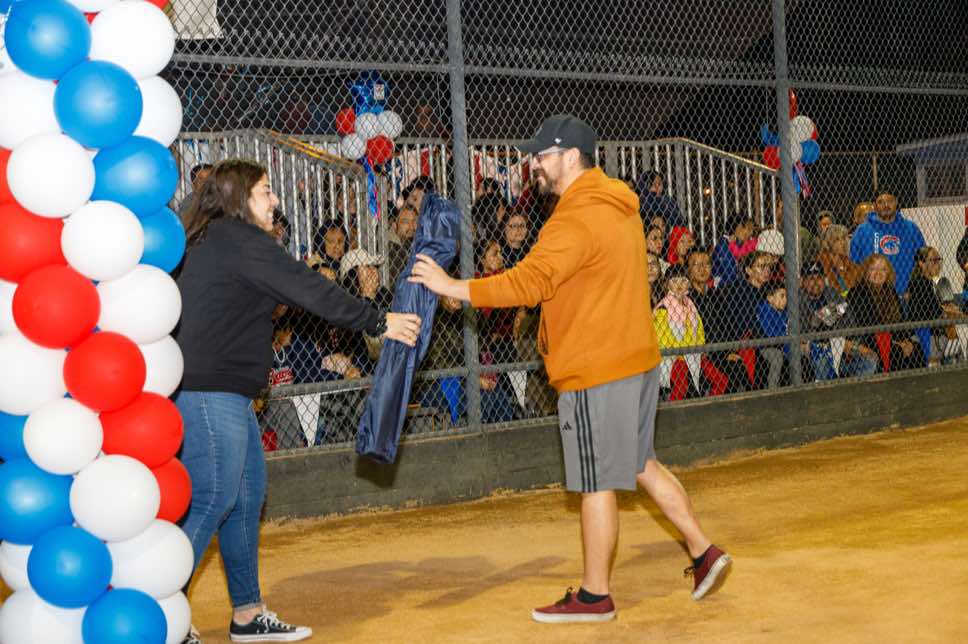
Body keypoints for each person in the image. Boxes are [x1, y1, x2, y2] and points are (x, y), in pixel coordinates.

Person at [409, 114, 730, 623]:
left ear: (571, 157)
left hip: (596, 368)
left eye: (543, 155)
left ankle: (595, 595)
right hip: (636, 360)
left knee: (596, 481)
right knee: (641, 462)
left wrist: (453, 287)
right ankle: (703, 550)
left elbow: (527, 283)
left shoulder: (575, 215)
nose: (534, 164)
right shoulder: (619, 203)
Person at [175, 159, 421, 644]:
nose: (275, 200)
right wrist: (379, 320)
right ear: (239, 197)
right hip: (209, 390)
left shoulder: (219, 239)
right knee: (213, 496)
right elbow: (310, 289)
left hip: (226, 391)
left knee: (247, 498)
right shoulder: (240, 239)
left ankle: (248, 614)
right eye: (266, 191)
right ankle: (160, 611)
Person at [846, 254, 923, 373]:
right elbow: (867, 325)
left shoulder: (891, 291)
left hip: (892, 338)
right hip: (869, 339)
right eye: (873, 269)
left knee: (916, 348)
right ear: (866, 272)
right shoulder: (857, 292)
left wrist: (906, 341)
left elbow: (901, 320)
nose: (878, 273)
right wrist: (896, 343)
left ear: (888, 273)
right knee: (896, 351)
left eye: (883, 269)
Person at [849, 192, 925, 295]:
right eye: (881, 202)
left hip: (908, 295)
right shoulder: (862, 231)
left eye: (890, 201)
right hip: (872, 296)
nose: (886, 205)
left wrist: (915, 289)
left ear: (896, 202)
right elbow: (854, 266)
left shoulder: (911, 229)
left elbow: (923, 261)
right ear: (874, 205)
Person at [757, 282, 789, 389]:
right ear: (770, 298)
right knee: (777, 357)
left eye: (786, 296)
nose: (785, 300)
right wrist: (787, 338)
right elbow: (770, 333)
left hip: (782, 343)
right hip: (766, 346)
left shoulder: (783, 312)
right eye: (782, 296)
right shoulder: (764, 310)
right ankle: (772, 388)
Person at [711, 212, 756, 286]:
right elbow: (730, 273)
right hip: (724, 287)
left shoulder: (739, 244)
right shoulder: (723, 245)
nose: (751, 233)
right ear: (739, 227)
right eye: (749, 229)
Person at [818, 224, 860, 296]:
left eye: (843, 238)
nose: (842, 242)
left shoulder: (847, 260)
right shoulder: (822, 261)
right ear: (827, 242)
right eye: (837, 239)